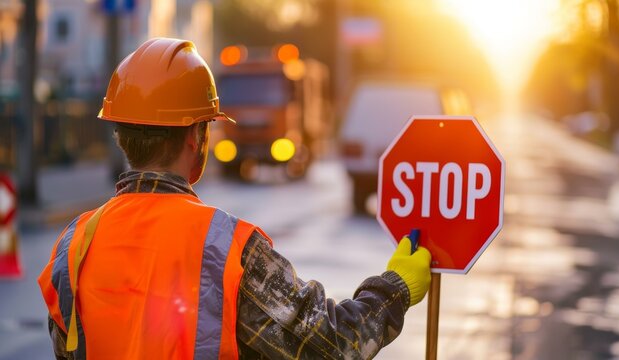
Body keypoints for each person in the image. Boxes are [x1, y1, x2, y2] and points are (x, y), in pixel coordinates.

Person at [38, 38, 432, 360]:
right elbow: (336, 346)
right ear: (197, 137)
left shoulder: (74, 245)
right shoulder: (227, 249)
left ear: (120, 136)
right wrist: (395, 287)